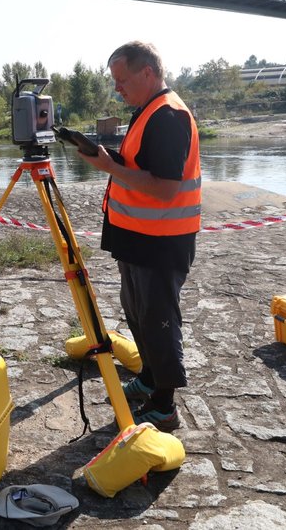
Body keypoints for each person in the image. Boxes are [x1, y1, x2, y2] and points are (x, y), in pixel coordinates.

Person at [76, 41, 200, 432]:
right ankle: (149, 378)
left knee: (159, 321)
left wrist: (107, 168)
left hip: (161, 242)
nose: (117, 88)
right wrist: (111, 159)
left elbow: (164, 188)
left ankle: (164, 405)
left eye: (121, 79)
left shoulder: (167, 115)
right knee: (138, 315)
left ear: (147, 72)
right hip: (138, 238)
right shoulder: (147, 112)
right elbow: (140, 166)